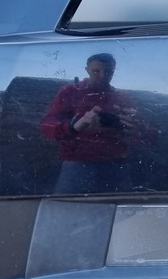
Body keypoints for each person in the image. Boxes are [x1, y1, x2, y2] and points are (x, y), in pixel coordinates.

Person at [40, 53, 150, 193]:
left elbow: (148, 138)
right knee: (65, 206)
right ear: (87, 70)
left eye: (108, 72)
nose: (103, 76)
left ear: (114, 71)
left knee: (121, 207)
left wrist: (136, 128)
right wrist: (73, 126)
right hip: (78, 163)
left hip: (116, 163)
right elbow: (46, 126)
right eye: (96, 71)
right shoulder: (70, 91)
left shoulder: (123, 98)